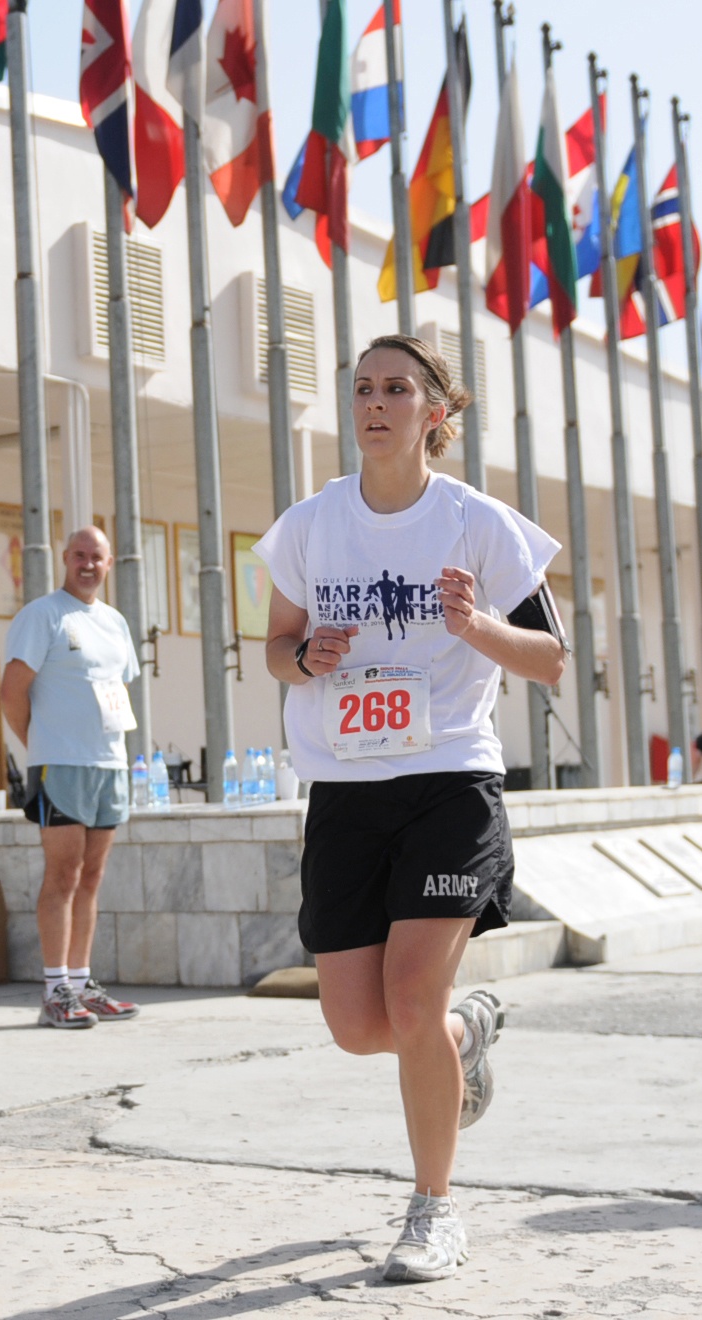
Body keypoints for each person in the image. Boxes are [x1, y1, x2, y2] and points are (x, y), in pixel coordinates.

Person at [253, 335, 567, 1284]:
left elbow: (549, 658)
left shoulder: (477, 523)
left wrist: (475, 628)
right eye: (362, 389)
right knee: (358, 1024)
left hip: (448, 785)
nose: (376, 402)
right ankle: (467, 1032)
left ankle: (433, 1210)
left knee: (409, 997)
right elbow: (274, 646)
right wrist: (304, 660)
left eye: (398, 388)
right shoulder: (310, 526)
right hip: (345, 789)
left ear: (437, 411)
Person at [0, 525, 141, 1030]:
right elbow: (12, 693)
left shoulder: (116, 623)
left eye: (96, 557)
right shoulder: (42, 616)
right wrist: (40, 746)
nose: (87, 564)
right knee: (62, 875)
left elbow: (116, 692)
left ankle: (82, 984)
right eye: (79, 555)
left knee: (92, 876)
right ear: (64, 558)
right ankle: (55, 990)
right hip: (60, 765)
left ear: (109, 563)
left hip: (110, 764)